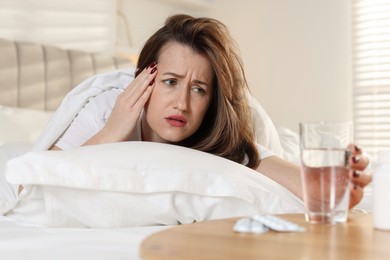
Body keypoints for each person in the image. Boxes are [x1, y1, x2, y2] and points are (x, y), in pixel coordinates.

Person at [50, 14, 371, 208]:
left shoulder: (215, 132)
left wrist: (342, 186)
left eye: (198, 89)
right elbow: (34, 180)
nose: (182, 104)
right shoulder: (107, 107)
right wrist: (110, 133)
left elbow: (307, 185)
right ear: (145, 79)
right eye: (170, 81)